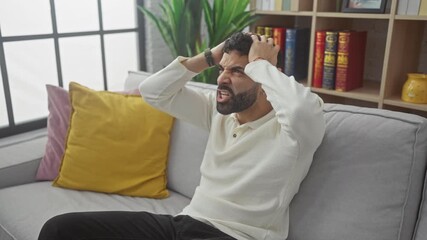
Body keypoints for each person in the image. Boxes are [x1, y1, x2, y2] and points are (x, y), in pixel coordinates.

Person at [38, 32, 325, 240]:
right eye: (222, 69)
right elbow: (153, 92)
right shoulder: (217, 113)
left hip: (234, 236)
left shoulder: (292, 131)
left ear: (264, 82)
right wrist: (212, 55)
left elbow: (301, 108)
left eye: (238, 71)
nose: (222, 78)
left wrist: (260, 64)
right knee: (60, 229)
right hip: (181, 225)